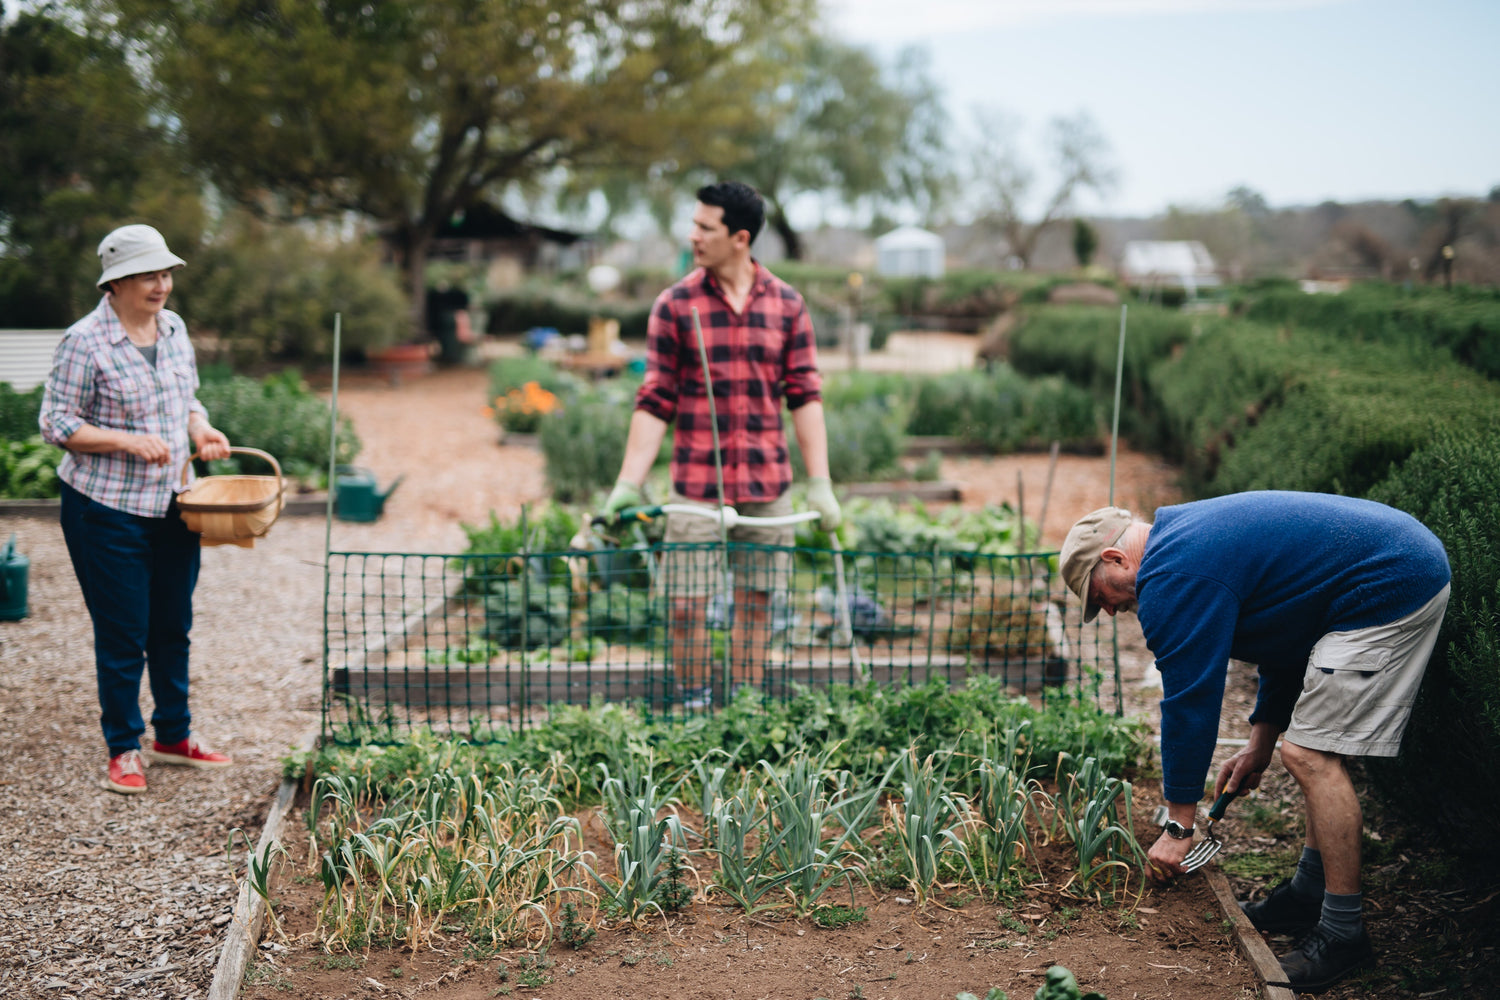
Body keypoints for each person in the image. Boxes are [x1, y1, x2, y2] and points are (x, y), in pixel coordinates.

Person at [1059, 491, 1450, 993]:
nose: (1109, 610)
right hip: (1385, 568)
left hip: (1392, 582)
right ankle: (1310, 894)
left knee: (1310, 756)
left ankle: (1342, 934)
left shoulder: (1172, 577)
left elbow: (1189, 703)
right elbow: (1288, 633)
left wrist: (1179, 826)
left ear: (1114, 558)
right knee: (1306, 750)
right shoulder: (1185, 547)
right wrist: (1260, 742)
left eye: (1099, 595)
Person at [600, 181, 840, 706]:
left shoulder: (786, 305)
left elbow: (805, 395)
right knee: (684, 607)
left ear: (740, 237)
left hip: (766, 483)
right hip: (696, 485)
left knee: (756, 604)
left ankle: (745, 708)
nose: (693, 236)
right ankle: (693, 705)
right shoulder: (675, 305)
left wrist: (819, 482)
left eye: (705, 227)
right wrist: (627, 483)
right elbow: (654, 399)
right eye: (694, 224)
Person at [40, 224, 235, 795]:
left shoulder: (173, 329)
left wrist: (203, 428)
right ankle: (124, 747)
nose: (162, 284)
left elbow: (188, 400)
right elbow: (56, 423)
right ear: (117, 282)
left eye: (166, 273)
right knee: (124, 632)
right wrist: (126, 441)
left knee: (172, 625)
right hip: (105, 508)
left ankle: (173, 736)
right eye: (149, 274)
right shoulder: (85, 341)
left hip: (176, 501)